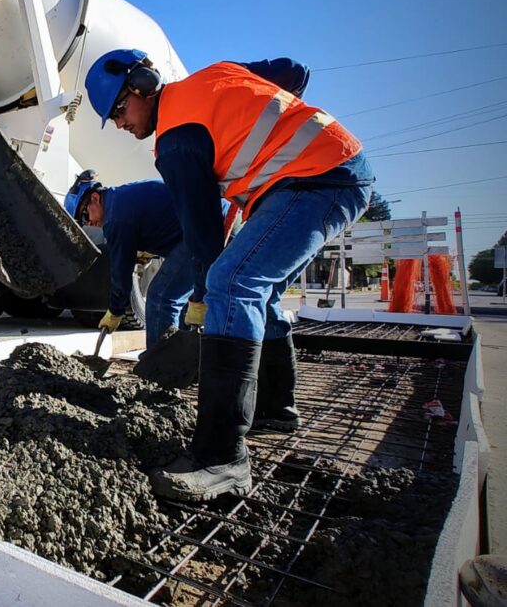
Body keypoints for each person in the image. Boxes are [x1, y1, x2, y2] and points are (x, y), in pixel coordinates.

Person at [85, 49, 373, 501]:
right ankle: (275, 408)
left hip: (317, 180)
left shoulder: (175, 139)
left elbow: (203, 234)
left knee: (233, 284)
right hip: (328, 170)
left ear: (144, 85)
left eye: (119, 109)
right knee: (259, 291)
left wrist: (202, 297)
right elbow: (294, 72)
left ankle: (221, 459)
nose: (120, 123)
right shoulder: (215, 77)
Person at [64, 172, 232, 350]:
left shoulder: (115, 219)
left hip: (209, 227)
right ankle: (185, 359)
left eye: (85, 215)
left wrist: (115, 310)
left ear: (95, 198)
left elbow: (121, 271)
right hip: (215, 221)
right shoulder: (120, 198)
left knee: (161, 298)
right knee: (180, 304)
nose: (89, 223)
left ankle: (160, 362)